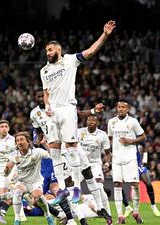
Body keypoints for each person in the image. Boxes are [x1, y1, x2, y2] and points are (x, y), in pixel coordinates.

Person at [40, 20, 116, 204]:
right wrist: (48, 105)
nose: (47, 53)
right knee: (55, 153)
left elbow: (90, 51)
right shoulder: (44, 70)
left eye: (50, 50)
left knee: (72, 149)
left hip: (67, 109)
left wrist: (104, 35)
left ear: (58, 49)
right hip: (53, 113)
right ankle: (63, 190)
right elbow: (46, 94)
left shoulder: (70, 60)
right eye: (46, 51)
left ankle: (75, 187)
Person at [30, 89, 107, 225]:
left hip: (71, 144)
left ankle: (100, 208)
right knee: (66, 185)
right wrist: (38, 139)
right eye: (39, 97)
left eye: (43, 96)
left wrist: (94, 111)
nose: (41, 98)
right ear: (35, 98)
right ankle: (75, 219)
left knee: (87, 173)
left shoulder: (58, 106)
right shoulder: (34, 114)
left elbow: (79, 114)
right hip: (56, 149)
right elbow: (37, 129)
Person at [107, 99, 145, 224]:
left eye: (123, 107)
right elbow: (110, 139)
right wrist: (109, 158)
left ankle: (136, 212)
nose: (121, 109)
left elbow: (143, 137)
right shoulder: (111, 122)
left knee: (135, 184)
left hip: (130, 158)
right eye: (119, 107)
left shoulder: (133, 122)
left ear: (127, 109)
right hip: (116, 159)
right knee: (117, 185)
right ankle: (120, 216)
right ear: (117, 108)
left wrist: (130, 141)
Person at [5, 132, 55, 225]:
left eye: (22, 139)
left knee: (37, 197)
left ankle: (48, 215)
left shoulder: (37, 152)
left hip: (35, 181)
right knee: (17, 192)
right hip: (22, 182)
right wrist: (7, 169)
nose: (19, 142)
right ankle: (17, 220)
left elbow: (52, 155)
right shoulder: (13, 156)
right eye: (17, 140)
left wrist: (44, 144)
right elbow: (6, 172)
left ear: (28, 142)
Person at [78, 115, 112, 216]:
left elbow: (108, 153)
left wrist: (107, 163)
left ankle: (108, 215)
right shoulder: (79, 132)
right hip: (80, 165)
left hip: (95, 165)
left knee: (99, 188)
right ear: (86, 121)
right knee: (71, 189)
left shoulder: (102, 135)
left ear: (97, 123)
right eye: (89, 120)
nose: (91, 122)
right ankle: (68, 216)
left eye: (93, 120)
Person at [122, 145, 160, 217]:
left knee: (148, 183)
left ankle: (153, 205)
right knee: (118, 184)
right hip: (127, 165)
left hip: (138, 164)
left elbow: (144, 145)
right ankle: (127, 207)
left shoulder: (134, 136)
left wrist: (145, 160)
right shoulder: (120, 139)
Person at [0, 120, 16, 215]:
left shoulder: (13, 140)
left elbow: (18, 154)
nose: (4, 128)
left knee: (8, 191)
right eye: (2, 126)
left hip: (12, 169)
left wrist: (12, 161)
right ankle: (23, 194)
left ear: (9, 128)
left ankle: (2, 211)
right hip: (0, 169)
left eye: (6, 126)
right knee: (2, 195)